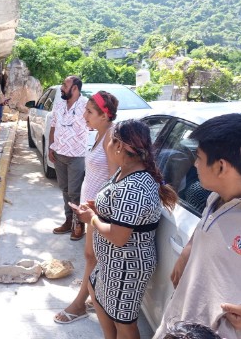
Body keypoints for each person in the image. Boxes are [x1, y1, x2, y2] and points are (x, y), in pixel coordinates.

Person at [154, 113, 241, 339]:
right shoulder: (216, 197)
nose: (195, 164)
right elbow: (210, 228)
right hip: (181, 325)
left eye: (198, 157)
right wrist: (190, 248)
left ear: (220, 166)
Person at [75, 119, 178, 339]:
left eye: (111, 140)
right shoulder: (125, 172)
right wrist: (99, 209)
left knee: (124, 322)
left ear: (120, 146)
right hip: (112, 262)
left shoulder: (135, 186)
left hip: (126, 265)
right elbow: (120, 210)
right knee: (97, 291)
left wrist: (92, 218)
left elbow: (119, 236)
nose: (108, 145)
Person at [54, 91, 119, 324]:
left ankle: (79, 304)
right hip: (92, 209)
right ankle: (92, 296)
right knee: (91, 256)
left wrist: (98, 210)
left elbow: (114, 180)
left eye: (89, 112)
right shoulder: (100, 134)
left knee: (92, 257)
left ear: (104, 115)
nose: (84, 115)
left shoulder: (111, 138)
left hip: (100, 211)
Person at [50, 75, 88, 241]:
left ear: (75, 88)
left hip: (76, 156)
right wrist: (50, 147)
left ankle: (79, 224)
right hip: (59, 154)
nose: (61, 87)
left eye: (65, 85)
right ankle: (68, 220)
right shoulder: (59, 104)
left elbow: (95, 124)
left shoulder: (86, 105)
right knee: (65, 189)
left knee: (75, 192)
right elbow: (53, 126)